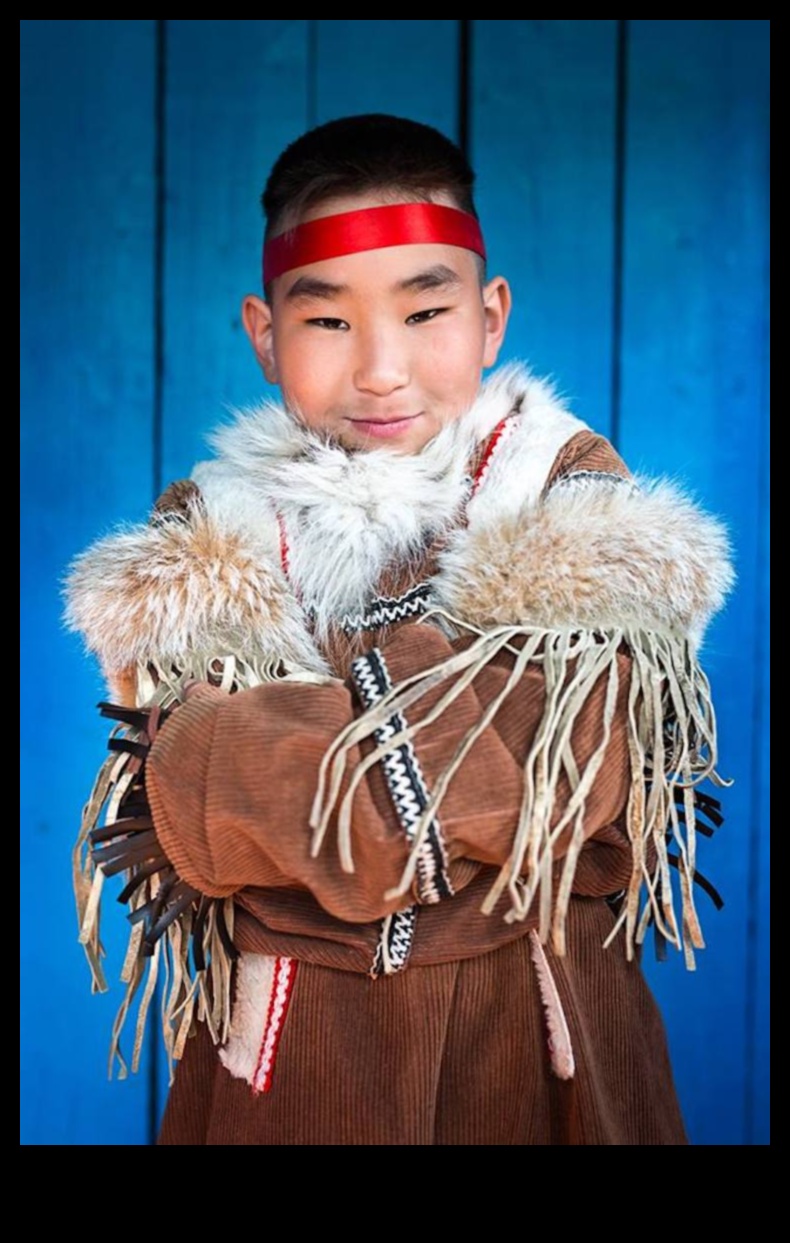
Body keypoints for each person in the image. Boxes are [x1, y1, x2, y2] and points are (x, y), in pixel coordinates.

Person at [65, 112, 734, 1146]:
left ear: (491, 314)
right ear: (264, 331)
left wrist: (250, 809)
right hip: (284, 1055)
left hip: (532, 1032)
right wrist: (437, 794)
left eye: (426, 310)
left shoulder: (574, 502)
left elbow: (546, 772)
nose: (381, 369)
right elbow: (169, 818)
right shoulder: (204, 537)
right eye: (327, 321)